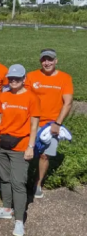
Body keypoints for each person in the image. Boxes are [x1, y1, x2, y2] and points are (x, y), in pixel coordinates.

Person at [0, 64, 40, 236]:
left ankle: (19, 220)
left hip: (20, 146)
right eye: (11, 78)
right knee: (4, 178)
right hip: (1, 143)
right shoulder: (4, 96)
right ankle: (6, 208)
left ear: (24, 79)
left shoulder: (32, 98)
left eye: (17, 78)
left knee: (18, 182)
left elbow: (34, 125)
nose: (14, 81)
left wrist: (31, 146)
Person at [25, 49, 73, 198]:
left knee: (45, 155)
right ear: (40, 61)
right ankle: (19, 181)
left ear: (56, 61)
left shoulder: (65, 78)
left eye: (50, 59)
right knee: (23, 152)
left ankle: (37, 184)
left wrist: (57, 124)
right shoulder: (31, 76)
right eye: (44, 60)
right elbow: (24, 97)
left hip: (51, 124)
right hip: (31, 121)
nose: (47, 62)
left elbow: (68, 103)